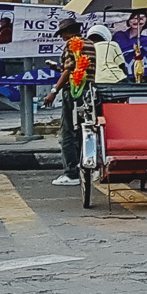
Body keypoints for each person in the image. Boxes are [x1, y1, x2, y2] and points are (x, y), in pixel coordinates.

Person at [40, 20, 87, 186]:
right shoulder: (91, 44)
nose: (61, 37)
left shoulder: (72, 44)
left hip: (74, 92)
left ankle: (71, 173)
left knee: (67, 132)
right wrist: (57, 68)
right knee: (84, 131)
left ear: (69, 31)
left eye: (62, 33)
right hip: (91, 92)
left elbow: (69, 70)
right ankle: (86, 168)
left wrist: (54, 91)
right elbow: (75, 67)